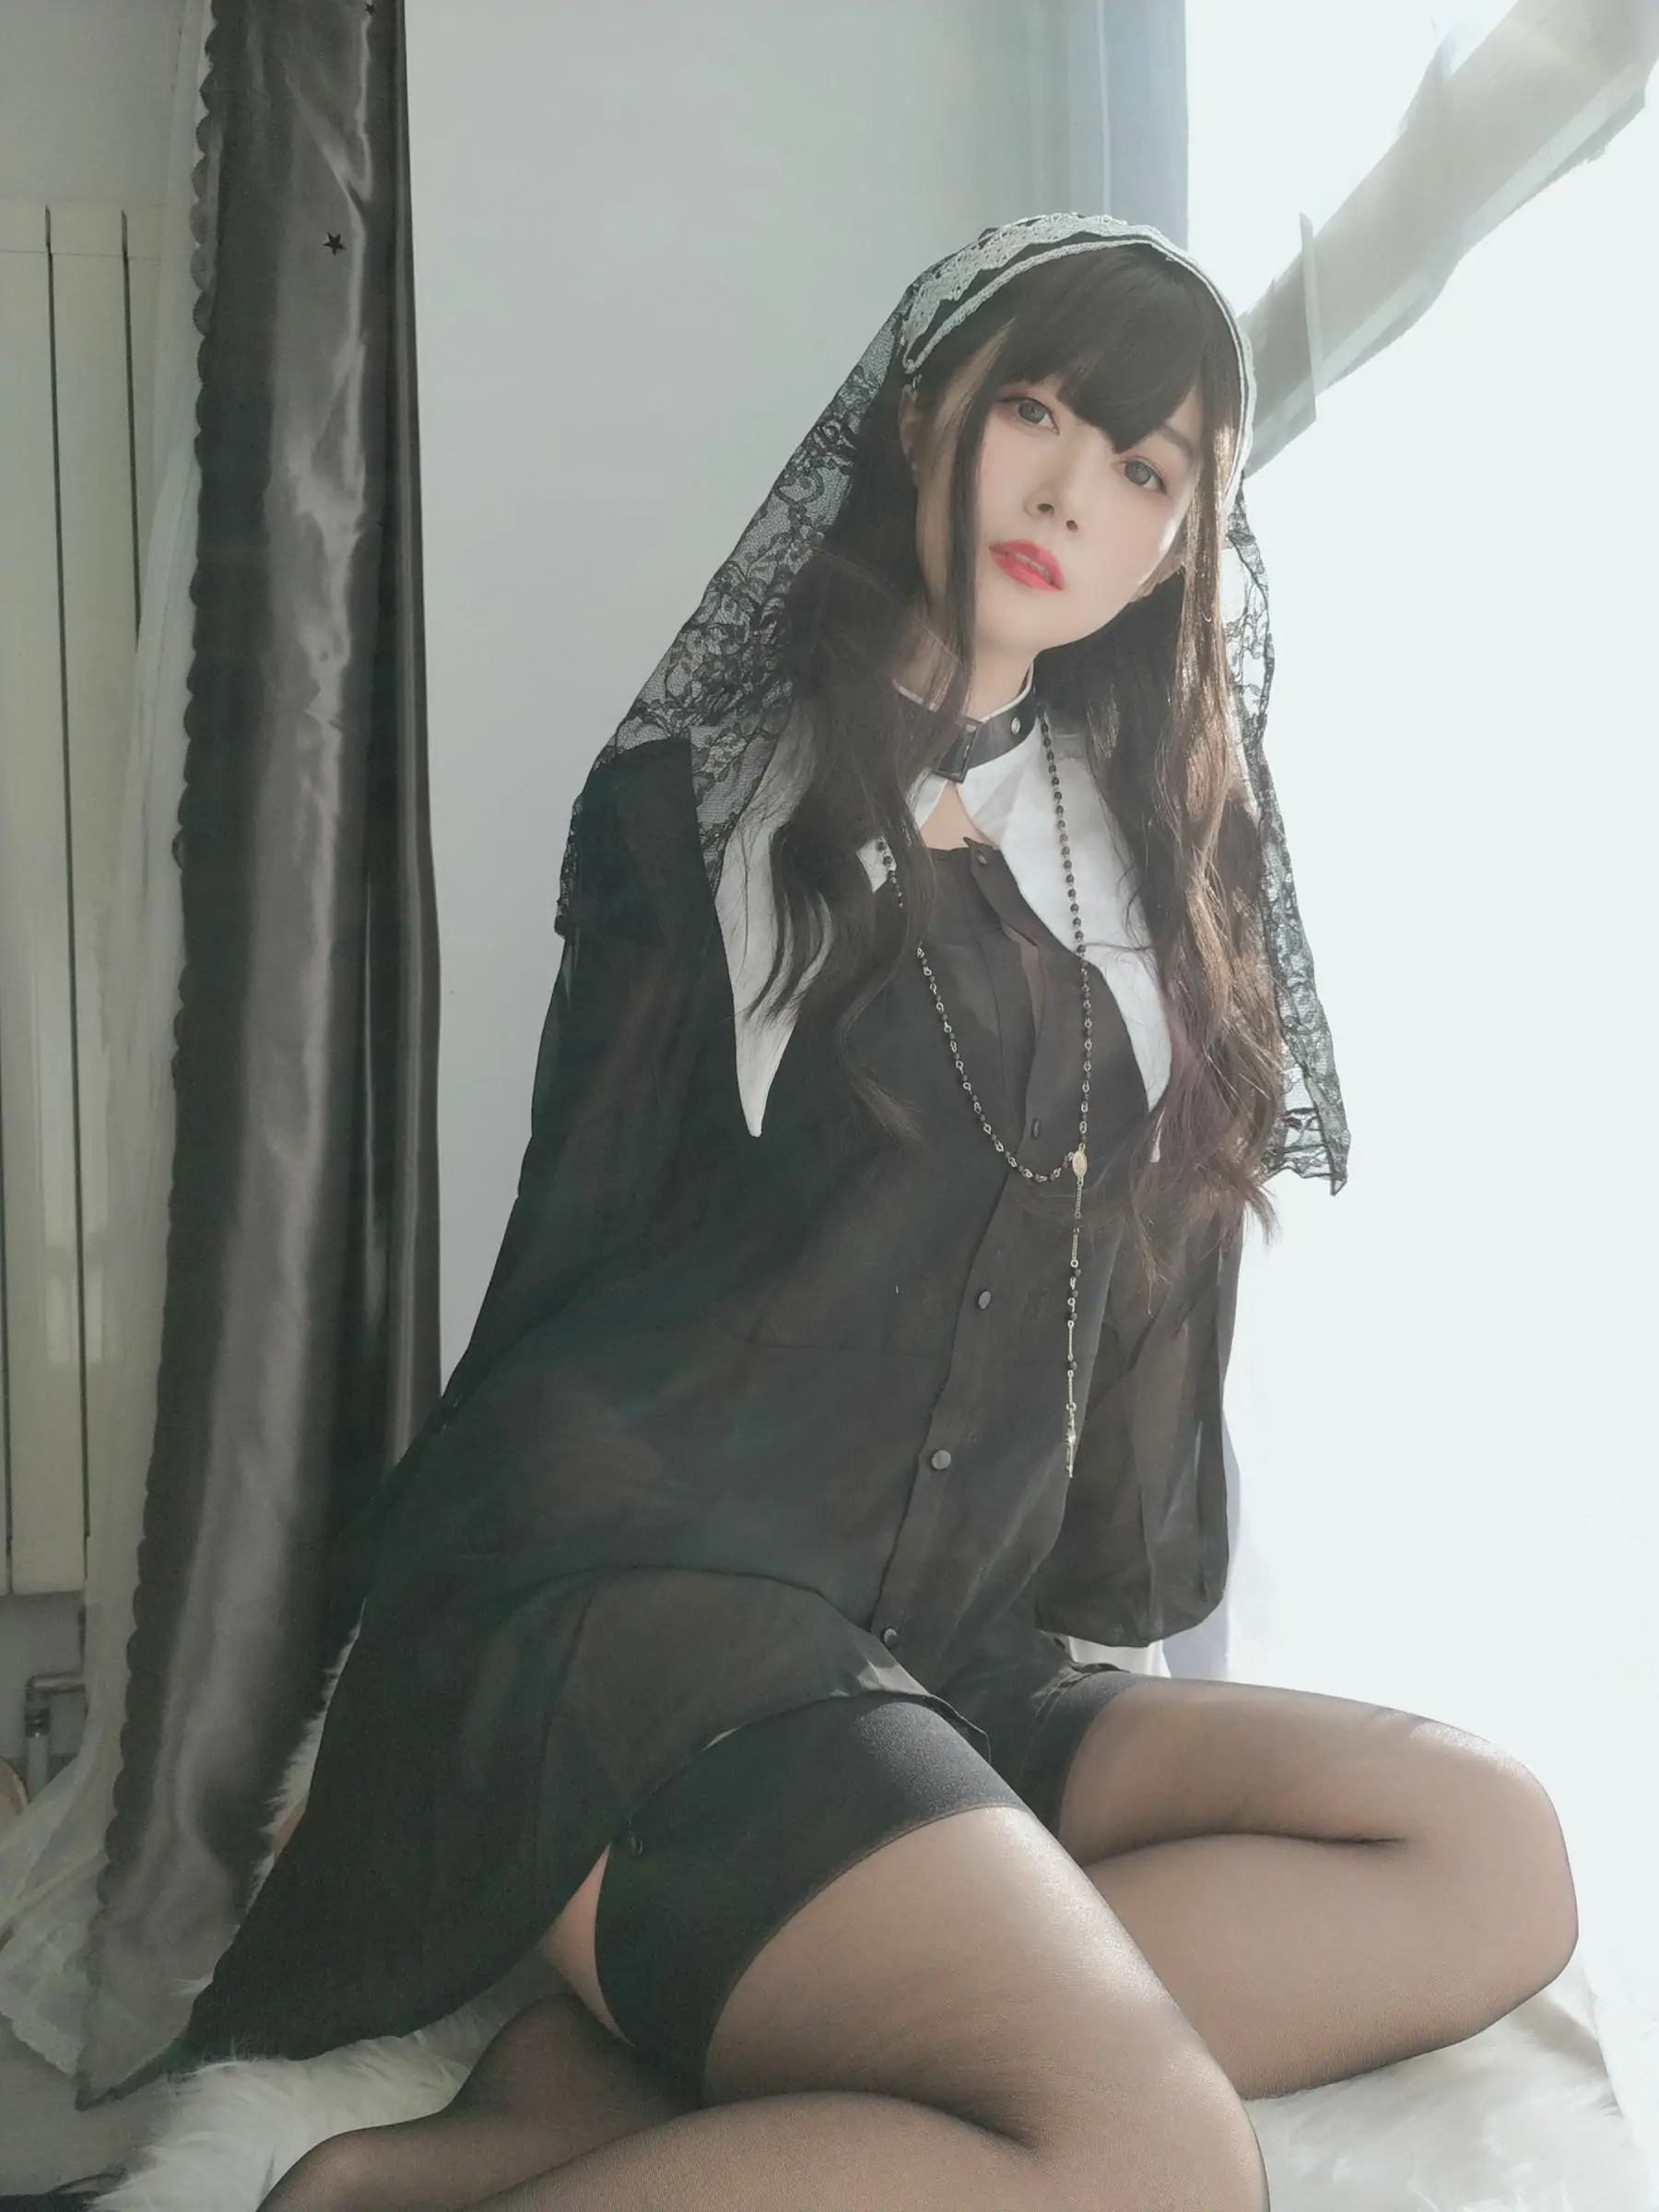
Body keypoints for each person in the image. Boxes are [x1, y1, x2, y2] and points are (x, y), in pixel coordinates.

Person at [177, 217, 1575, 2212]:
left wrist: (1107, 1618)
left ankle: (618, 2103)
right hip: (654, 1625)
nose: (1070, 496)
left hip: (946, 1646)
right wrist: (428, 1667)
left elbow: (1144, 1318)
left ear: (1181, 547)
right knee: (1151, 2160)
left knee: (1489, 1845)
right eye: (1038, 413)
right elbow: (574, 1256)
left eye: (1143, 469)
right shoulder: (712, 805)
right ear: (924, 418)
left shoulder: (1155, 854)